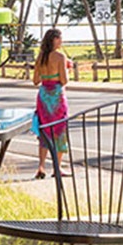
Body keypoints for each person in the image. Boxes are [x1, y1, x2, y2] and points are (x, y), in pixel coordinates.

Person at [32, 28, 70, 179]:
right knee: (59, 131)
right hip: (56, 95)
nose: (61, 41)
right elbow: (64, 80)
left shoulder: (40, 57)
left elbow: (35, 80)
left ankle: (41, 166)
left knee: (45, 132)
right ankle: (57, 167)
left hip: (43, 96)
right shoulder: (60, 57)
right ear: (53, 40)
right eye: (59, 38)